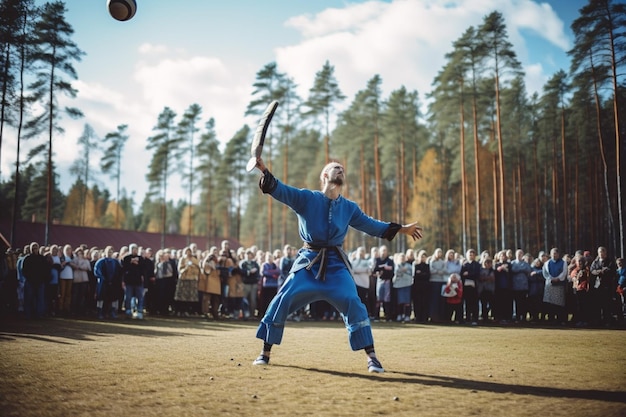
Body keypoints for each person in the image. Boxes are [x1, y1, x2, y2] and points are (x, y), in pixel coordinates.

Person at [250, 158, 423, 373]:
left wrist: (402, 229)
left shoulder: (349, 208)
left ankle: (372, 358)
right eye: (335, 168)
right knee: (282, 299)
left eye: (342, 169)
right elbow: (280, 189)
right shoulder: (306, 198)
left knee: (353, 301)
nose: (340, 170)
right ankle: (265, 353)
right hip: (308, 262)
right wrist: (264, 169)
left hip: (336, 265)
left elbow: (371, 225)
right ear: (324, 176)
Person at [21, 242, 50, 319]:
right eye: (33, 248)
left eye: (36, 248)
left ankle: (39, 314)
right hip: (30, 281)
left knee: (40, 299)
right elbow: (24, 270)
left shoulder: (42, 258)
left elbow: (46, 270)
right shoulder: (27, 258)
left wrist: (44, 279)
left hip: (40, 282)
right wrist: (29, 278)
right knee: (29, 299)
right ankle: (28, 314)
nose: (35, 249)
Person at [94, 246, 122, 319]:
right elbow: (97, 271)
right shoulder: (101, 261)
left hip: (113, 283)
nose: (109, 253)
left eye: (111, 251)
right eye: (108, 251)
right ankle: (100, 312)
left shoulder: (115, 262)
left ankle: (112, 312)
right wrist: (103, 279)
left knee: (113, 297)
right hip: (103, 283)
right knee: (101, 298)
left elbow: (119, 272)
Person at [542, 247, 568, 324]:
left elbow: (564, 272)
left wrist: (558, 278)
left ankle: (560, 319)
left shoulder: (563, 262)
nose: (554, 255)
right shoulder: (547, 263)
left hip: (559, 284)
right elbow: (545, 273)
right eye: (553, 254)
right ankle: (551, 319)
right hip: (550, 285)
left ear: (558, 254)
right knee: (550, 303)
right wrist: (551, 279)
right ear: (550, 254)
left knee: (559, 303)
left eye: (555, 254)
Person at [122, 243, 145, 319]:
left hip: (138, 281)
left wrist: (136, 262)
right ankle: (128, 311)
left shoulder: (141, 258)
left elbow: (142, 268)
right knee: (128, 297)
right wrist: (131, 262)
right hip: (129, 281)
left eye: (136, 249)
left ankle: (139, 311)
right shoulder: (126, 258)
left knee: (140, 297)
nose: (134, 250)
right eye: (133, 249)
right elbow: (124, 268)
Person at [374, 245, 395, 321]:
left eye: (385, 250)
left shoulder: (390, 261)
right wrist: (378, 272)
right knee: (378, 299)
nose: (383, 252)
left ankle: (388, 316)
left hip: (387, 281)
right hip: (380, 281)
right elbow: (375, 270)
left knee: (387, 299)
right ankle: (377, 316)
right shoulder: (378, 260)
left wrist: (385, 270)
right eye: (382, 250)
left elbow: (392, 271)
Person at [460, 248, 480, 325]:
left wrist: (468, 274)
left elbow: (476, 274)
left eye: (472, 255)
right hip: (466, 287)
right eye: (469, 255)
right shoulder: (464, 264)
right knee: (467, 303)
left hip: (474, 287)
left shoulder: (477, 264)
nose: (470, 256)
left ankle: (475, 319)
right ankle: (467, 319)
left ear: (474, 256)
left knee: (474, 303)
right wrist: (468, 274)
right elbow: (462, 274)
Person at [510, 249, 531, 323]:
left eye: (521, 254)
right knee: (517, 303)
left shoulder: (526, 264)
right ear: (515, 255)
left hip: (524, 286)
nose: (519, 255)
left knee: (524, 302)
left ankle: (524, 317)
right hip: (515, 286)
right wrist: (522, 270)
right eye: (518, 254)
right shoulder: (512, 263)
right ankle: (517, 317)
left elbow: (528, 270)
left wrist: (518, 270)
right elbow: (513, 270)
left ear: (523, 255)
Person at [240, 249, 261, 319]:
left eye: (250, 255)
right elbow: (241, 271)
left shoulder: (255, 264)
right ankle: (245, 314)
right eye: (247, 254)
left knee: (253, 300)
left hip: (254, 284)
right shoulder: (243, 263)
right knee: (244, 299)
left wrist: (256, 278)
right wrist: (249, 272)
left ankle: (252, 315)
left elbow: (258, 272)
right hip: (245, 284)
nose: (248, 256)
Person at [392, 252, 413, 322]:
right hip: (399, 285)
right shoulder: (397, 266)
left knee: (407, 301)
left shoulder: (409, 265)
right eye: (401, 257)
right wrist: (402, 271)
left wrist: (405, 271)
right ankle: (399, 315)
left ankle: (407, 315)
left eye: (403, 257)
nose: (402, 259)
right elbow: (397, 272)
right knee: (399, 301)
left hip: (407, 284)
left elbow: (411, 272)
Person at [411, 250, 430, 323]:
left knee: (424, 302)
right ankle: (418, 317)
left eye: (424, 257)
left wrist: (421, 274)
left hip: (425, 287)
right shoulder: (416, 265)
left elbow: (427, 276)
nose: (423, 258)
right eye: (421, 257)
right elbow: (416, 276)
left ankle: (424, 318)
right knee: (417, 302)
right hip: (417, 287)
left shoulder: (427, 266)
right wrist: (422, 274)